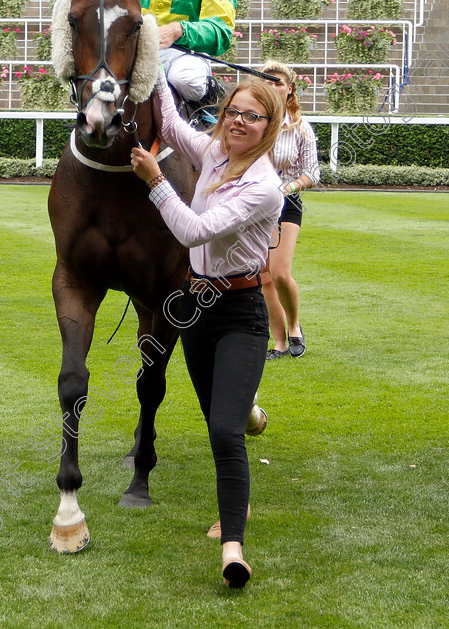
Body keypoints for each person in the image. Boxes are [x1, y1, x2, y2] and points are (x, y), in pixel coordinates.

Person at [130, 69, 283, 589]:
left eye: (252, 116)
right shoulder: (217, 150)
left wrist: (155, 182)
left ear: (270, 124)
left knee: (222, 430)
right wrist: (152, 66)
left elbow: (193, 230)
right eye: (233, 112)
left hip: (240, 313)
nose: (239, 122)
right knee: (225, 421)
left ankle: (234, 547)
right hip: (196, 308)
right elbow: (172, 127)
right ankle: (248, 413)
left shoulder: (264, 187)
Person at [259, 61, 320, 360]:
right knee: (264, 276)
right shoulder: (252, 121)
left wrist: (288, 187)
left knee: (280, 273)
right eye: (266, 82)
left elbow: (312, 173)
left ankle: (295, 324)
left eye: (278, 83)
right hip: (255, 203)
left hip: (286, 202)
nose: (272, 87)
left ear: (290, 88)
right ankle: (279, 341)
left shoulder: (300, 127)